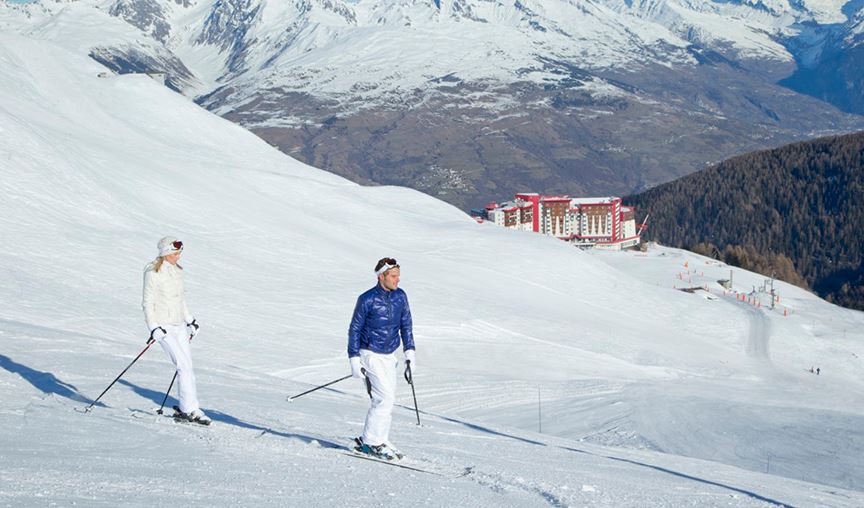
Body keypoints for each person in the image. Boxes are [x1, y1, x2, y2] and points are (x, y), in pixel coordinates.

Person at [347, 257, 416, 460]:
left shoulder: (400, 296)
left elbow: (406, 325)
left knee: (389, 399)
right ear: (381, 276)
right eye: (393, 276)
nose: (398, 280)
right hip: (370, 353)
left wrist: (409, 353)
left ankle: (380, 438)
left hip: (389, 355)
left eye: (398, 276)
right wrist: (354, 359)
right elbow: (354, 329)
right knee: (383, 398)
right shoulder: (367, 299)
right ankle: (370, 442)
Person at [142, 236, 210, 425]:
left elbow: (181, 300)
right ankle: (188, 410)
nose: (179, 256)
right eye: (175, 253)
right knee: (183, 366)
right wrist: (153, 327)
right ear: (166, 253)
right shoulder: (153, 272)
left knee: (188, 367)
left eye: (179, 253)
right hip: (164, 327)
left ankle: (190, 407)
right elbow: (147, 303)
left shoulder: (177, 272)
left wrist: (190, 320)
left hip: (179, 325)